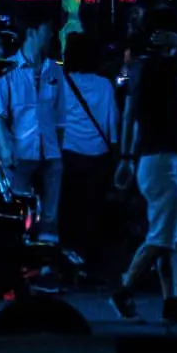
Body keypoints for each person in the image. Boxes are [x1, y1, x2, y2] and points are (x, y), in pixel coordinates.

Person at [110, 7, 177, 325]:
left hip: (150, 160)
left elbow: (129, 116)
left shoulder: (140, 72)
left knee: (169, 239)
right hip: (167, 161)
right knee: (161, 238)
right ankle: (124, 289)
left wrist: (126, 158)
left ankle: (172, 301)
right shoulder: (166, 67)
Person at [0, 14, 66, 248]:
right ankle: (18, 264)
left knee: (50, 218)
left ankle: (46, 268)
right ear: (32, 31)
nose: (51, 35)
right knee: (18, 214)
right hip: (19, 155)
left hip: (51, 154)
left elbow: (61, 118)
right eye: (47, 29)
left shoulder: (54, 71)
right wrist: (4, 149)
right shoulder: (8, 70)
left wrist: (58, 151)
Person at [58, 32, 118, 270]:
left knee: (70, 209)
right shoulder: (104, 85)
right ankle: (90, 260)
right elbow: (112, 124)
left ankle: (69, 260)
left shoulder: (63, 83)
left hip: (70, 154)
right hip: (99, 157)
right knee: (93, 211)